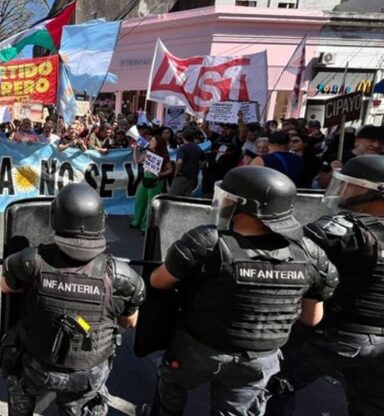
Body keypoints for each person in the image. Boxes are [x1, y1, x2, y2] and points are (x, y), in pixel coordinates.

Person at [148, 166, 338, 416]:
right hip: (261, 358)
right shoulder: (311, 254)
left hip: (199, 347)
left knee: (171, 387)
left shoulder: (209, 242)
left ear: (241, 205)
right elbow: (312, 318)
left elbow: (158, 281)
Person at [1, 183, 145, 416]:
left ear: (55, 218)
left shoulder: (30, 261)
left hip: (37, 365)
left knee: (21, 388)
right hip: (87, 375)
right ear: (101, 221)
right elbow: (129, 322)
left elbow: (6, 286)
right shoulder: (122, 277)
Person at [266, 156, 384, 416]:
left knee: (274, 385)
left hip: (331, 334)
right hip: (379, 344)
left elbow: (283, 263)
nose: (343, 190)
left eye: (351, 185)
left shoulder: (339, 231)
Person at [131, 136, 173, 233]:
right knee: (140, 201)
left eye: (153, 140)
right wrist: (135, 149)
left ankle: (145, 227)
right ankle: (136, 222)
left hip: (156, 182)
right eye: (151, 140)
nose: (150, 142)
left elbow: (170, 170)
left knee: (151, 205)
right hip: (145, 179)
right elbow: (137, 160)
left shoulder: (164, 156)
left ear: (158, 143)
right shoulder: (148, 153)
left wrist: (161, 174)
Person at [168, 128, 202, 197]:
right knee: (186, 197)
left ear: (183, 137)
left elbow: (179, 162)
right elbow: (204, 160)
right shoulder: (197, 148)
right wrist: (198, 168)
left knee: (173, 197)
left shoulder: (182, 148)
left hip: (181, 176)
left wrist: (176, 172)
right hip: (192, 177)